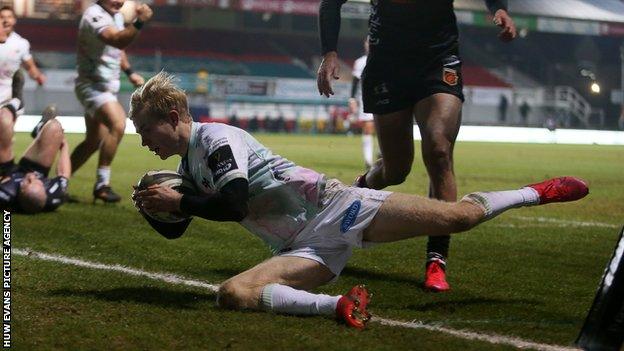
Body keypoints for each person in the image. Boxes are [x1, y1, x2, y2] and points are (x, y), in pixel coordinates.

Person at [131, 72, 588, 329]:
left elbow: (230, 206)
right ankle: (341, 305)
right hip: (302, 247)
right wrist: (157, 207)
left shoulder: (216, 140)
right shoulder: (189, 166)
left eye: (146, 131)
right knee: (233, 294)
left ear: (172, 118)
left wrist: (179, 204)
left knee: (458, 218)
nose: (145, 141)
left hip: (335, 207)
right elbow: (184, 223)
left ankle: (535, 192)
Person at [316, 0, 517, 292]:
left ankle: (437, 259)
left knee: (439, 150)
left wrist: (499, 8)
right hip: (388, 65)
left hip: (438, 59)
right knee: (396, 170)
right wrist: (329, 52)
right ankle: (357, 190)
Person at [70, 0, 152, 203]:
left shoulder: (114, 15)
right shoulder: (94, 16)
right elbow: (117, 40)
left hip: (105, 87)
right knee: (118, 123)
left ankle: (59, 182)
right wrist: (139, 22)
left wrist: (129, 72)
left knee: (92, 142)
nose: (119, 1)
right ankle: (102, 185)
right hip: (92, 86)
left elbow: (118, 50)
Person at [0, 6, 47, 177]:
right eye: (2, 17)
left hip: (8, 99)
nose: (5, 20)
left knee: (5, 135)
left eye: (8, 17)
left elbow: (29, 66)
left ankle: (6, 176)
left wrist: (37, 76)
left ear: (14, 20)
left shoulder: (20, 43)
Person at [0, 108, 70, 213]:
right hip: (36, 170)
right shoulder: (53, 194)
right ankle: (39, 128)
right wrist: (64, 146)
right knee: (54, 127)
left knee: (3, 118)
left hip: (6, 173)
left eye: (29, 181)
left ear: (21, 192)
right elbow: (64, 173)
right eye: (39, 183)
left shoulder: (4, 195)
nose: (32, 176)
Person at [350, 37, 376, 170]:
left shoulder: (386, 59)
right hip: (365, 99)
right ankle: (368, 160)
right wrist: (352, 99)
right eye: (367, 42)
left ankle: (382, 155)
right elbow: (355, 82)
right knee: (368, 128)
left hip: (385, 97)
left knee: (386, 128)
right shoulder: (360, 63)